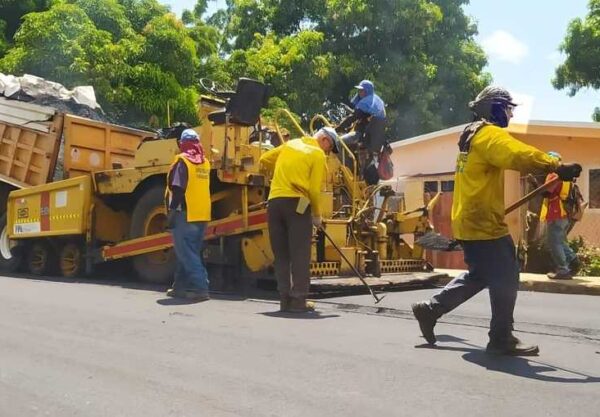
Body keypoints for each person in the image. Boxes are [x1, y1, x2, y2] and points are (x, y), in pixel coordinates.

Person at [411, 86, 582, 356]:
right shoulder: (489, 134)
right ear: (495, 108)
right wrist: (554, 165)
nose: (510, 115)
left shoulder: (472, 136)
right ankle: (501, 337)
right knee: (507, 274)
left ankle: (430, 309)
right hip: (483, 222)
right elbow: (517, 154)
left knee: (481, 275)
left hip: (470, 218)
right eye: (507, 109)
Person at [260, 127, 340, 313]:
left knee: (281, 255)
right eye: (329, 149)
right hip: (297, 204)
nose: (327, 153)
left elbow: (264, 159)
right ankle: (298, 301)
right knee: (300, 254)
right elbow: (313, 190)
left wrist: (283, 173)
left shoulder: (290, 145)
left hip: (274, 203)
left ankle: (284, 299)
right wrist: (317, 215)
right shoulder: (317, 154)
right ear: (325, 141)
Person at [165, 128, 212, 301]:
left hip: (185, 214)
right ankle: (179, 287)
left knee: (187, 253)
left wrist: (171, 212)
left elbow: (178, 188)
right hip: (202, 215)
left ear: (181, 143)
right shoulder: (205, 163)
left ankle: (201, 288)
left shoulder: (182, 161)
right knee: (188, 252)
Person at [540, 151, 580, 280]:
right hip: (566, 213)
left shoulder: (554, 174)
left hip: (556, 212)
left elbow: (547, 192)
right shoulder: (568, 176)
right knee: (560, 240)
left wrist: (536, 185)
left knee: (554, 242)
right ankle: (573, 260)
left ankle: (563, 269)